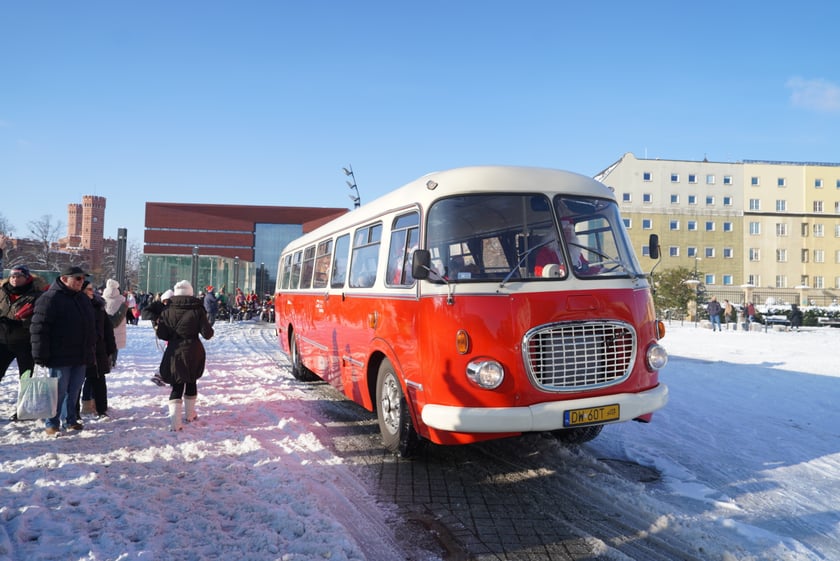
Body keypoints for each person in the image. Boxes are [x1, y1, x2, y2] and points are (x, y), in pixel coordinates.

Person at [30, 265, 95, 435]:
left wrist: (91, 349)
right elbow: (39, 328)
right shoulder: (50, 298)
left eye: (83, 279)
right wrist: (40, 354)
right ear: (65, 279)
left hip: (80, 354)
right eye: (78, 278)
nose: (82, 282)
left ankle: (70, 419)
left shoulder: (82, 299)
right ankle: (52, 422)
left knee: (73, 391)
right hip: (59, 355)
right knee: (57, 391)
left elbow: (90, 327)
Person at [155, 280, 214, 431]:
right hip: (194, 350)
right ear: (190, 293)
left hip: (174, 350)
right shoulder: (198, 310)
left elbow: (161, 334)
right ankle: (189, 414)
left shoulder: (167, 310)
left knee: (177, 384)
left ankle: (175, 423)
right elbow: (207, 334)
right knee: (191, 380)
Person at [0, 265, 47, 420]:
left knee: (25, 377)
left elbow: (41, 319)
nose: (15, 279)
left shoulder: (37, 295)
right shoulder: (2, 291)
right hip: (2, 342)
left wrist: (26, 320)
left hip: (25, 343)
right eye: (13, 276)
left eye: (19, 276)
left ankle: (23, 410)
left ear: (27, 278)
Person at [80, 281, 116, 418]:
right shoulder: (77, 306)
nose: (91, 291)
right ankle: (77, 410)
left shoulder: (98, 306)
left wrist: (110, 348)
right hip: (80, 349)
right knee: (78, 381)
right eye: (88, 289)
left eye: (92, 289)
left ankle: (101, 408)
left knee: (98, 380)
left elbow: (107, 328)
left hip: (98, 349)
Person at [101, 279, 127, 368]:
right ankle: (113, 361)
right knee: (115, 344)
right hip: (118, 326)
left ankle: (106, 359)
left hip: (105, 325)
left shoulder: (102, 298)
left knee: (105, 343)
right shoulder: (121, 299)